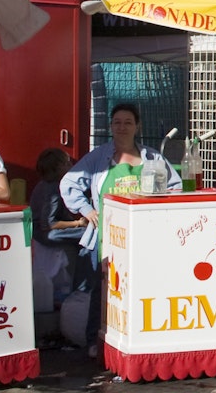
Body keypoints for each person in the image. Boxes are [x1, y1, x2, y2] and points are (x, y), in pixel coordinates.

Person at [60, 104, 180, 357]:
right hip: (106, 237)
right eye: (117, 122)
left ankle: (139, 340)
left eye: (127, 122)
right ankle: (96, 342)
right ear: (110, 127)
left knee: (143, 288)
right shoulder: (98, 157)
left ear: (137, 126)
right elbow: (69, 182)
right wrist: (86, 210)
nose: (122, 127)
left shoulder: (153, 158)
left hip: (145, 237)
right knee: (102, 291)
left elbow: (175, 186)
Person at [29, 147, 87, 319]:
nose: (71, 165)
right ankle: (82, 287)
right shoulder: (53, 189)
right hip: (46, 234)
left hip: (41, 231)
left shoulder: (44, 185)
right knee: (88, 234)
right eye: (67, 162)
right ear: (59, 167)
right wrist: (77, 223)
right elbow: (50, 223)